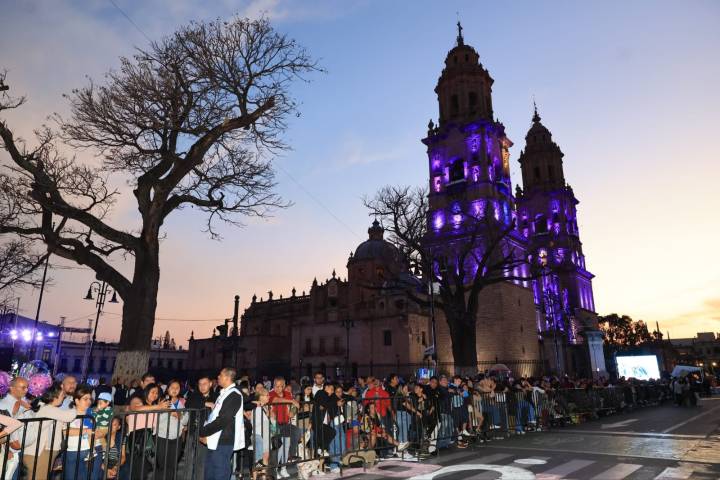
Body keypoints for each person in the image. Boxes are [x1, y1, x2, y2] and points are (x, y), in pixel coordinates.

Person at [22, 382, 78, 479]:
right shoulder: (48, 409)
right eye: (62, 395)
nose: (64, 397)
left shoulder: (45, 407)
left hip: (40, 451)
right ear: (55, 396)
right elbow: (69, 416)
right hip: (39, 452)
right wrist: (75, 406)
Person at [199, 367, 244, 480]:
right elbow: (214, 416)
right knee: (210, 473)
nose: (218, 377)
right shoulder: (224, 393)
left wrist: (204, 432)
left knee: (220, 473)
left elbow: (223, 419)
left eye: (220, 375)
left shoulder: (234, 395)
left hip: (223, 441)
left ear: (227, 378)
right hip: (214, 439)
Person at [127, 383, 169, 478]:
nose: (155, 395)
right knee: (138, 469)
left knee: (148, 469)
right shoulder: (137, 399)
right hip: (137, 439)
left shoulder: (154, 405)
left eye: (156, 393)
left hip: (149, 439)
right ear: (146, 392)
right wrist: (158, 407)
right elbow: (136, 408)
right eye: (152, 392)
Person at [63, 385, 99, 480]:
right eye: (85, 399)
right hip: (72, 451)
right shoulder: (69, 414)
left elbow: (95, 433)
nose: (89, 401)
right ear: (77, 401)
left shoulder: (90, 414)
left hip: (88, 452)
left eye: (90, 399)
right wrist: (85, 431)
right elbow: (65, 431)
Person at [184, 376, 217, 479]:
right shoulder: (194, 395)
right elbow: (188, 404)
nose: (202, 386)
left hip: (206, 433)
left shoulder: (216, 397)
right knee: (189, 460)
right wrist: (205, 403)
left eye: (205, 383)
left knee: (201, 461)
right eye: (200, 384)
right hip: (192, 431)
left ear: (210, 384)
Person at [155, 379, 188, 480]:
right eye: (172, 387)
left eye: (177, 388)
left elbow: (185, 420)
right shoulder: (162, 401)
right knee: (162, 464)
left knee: (173, 465)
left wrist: (179, 415)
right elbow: (157, 419)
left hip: (177, 437)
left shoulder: (182, 402)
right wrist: (168, 411)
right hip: (162, 436)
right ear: (168, 388)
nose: (174, 389)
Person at [268, 377, 300, 479]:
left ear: (284, 386)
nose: (278, 388)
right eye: (276, 386)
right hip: (274, 424)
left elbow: (296, 406)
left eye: (281, 386)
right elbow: (276, 400)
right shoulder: (271, 393)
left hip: (285, 423)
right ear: (273, 385)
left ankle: (284, 466)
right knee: (278, 448)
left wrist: (293, 411)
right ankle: (274, 470)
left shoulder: (288, 394)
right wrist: (292, 401)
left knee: (293, 435)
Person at [0, 377, 30, 480]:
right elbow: (4, 428)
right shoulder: (3, 404)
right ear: (12, 388)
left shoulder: (24, 402)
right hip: (12, 449)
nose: (26, 390)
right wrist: (7, 449)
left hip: (22, 447)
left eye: (27, 387)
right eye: (23, 387)